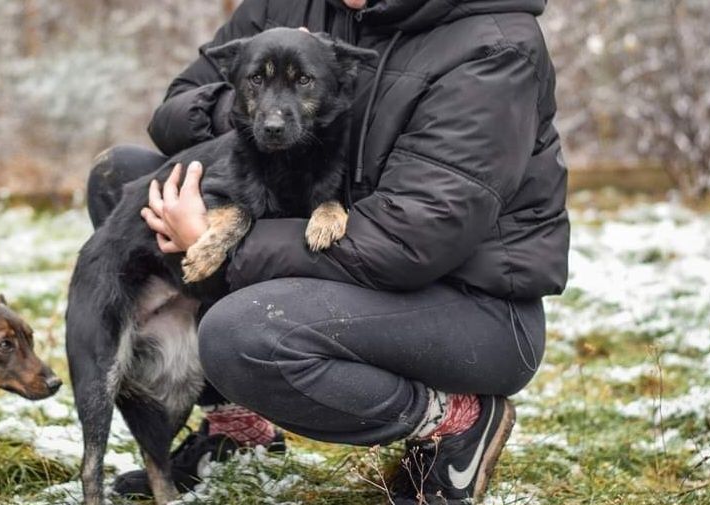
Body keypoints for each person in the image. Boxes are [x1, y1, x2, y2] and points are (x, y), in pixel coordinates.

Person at [85, 0, 568, 502]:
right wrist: (267, 100)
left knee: (243, 333)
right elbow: (174, 110)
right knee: (125, 185)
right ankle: (239, 426)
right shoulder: (286, 6)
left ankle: (457, 418)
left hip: (466, 303)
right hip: (329, 244)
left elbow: (411, 241)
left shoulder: (494, 46)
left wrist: (222, 240)